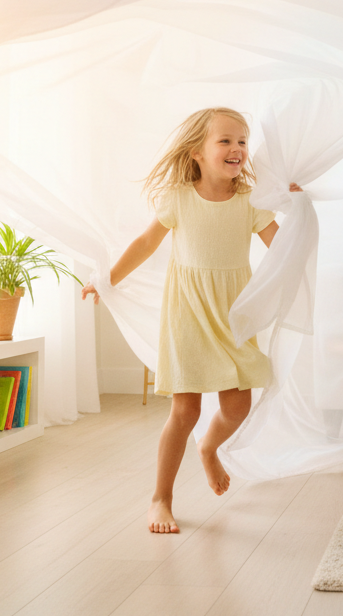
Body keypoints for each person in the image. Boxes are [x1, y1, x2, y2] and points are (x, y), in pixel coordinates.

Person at [81, 107, 299, 534]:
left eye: (242, 141)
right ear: (197, 152)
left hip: (234, 313)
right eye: (226, 141)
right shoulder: (179, 198)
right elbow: (145, 243)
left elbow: (283, 247)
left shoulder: (250, 200)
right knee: (185, 409)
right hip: (188, 313)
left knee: (238, 405)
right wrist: (106, 279)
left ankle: (209, 448)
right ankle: (161, 498)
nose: (237, 149)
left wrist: (293, 206)